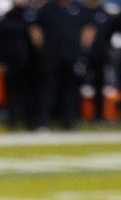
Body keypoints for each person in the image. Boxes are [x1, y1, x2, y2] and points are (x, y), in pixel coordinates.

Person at [0, 0, 43, 130]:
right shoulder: (7, 17)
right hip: (12, 61)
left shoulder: (33, 15)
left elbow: (38, 40)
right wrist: (0, 59)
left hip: (30, 61)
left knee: (30, 93)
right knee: (12, 93)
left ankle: (31, 121)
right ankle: (12, 120)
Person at [38, 0, 83, 129]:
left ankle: (69, 122)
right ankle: (44, 121)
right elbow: (36, 28)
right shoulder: (48, 8)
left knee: (70, 91)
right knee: (48, 90)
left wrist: (81, 49)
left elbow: (88, 28)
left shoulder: (77, 8)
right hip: (51, 56)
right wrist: (42, 48)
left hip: (71, 57)